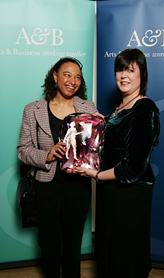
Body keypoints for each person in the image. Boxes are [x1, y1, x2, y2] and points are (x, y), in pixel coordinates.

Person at [74, 48, 160, 277]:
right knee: (111, 251)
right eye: (120, 70)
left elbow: (133, 167)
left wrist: (95, 175)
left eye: (130, 70)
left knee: (126, 254)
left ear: (142, 74)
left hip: (130, 195)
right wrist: (101, 122)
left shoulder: (144, 110)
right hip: (111, 192)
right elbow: (113, 140)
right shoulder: (120, 108)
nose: (124, 75)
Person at [17, 57, 98, 278]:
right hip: (45, 187)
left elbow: (95, 147)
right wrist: (47, 155)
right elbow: (23, 149)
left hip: (78, 186)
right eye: (67, 74)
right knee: (49, 245)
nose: (72, 80)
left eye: (78, 77)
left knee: (73, 247)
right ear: (54, 76)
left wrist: (101, 127)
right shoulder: (33, 110)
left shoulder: (88, 108)